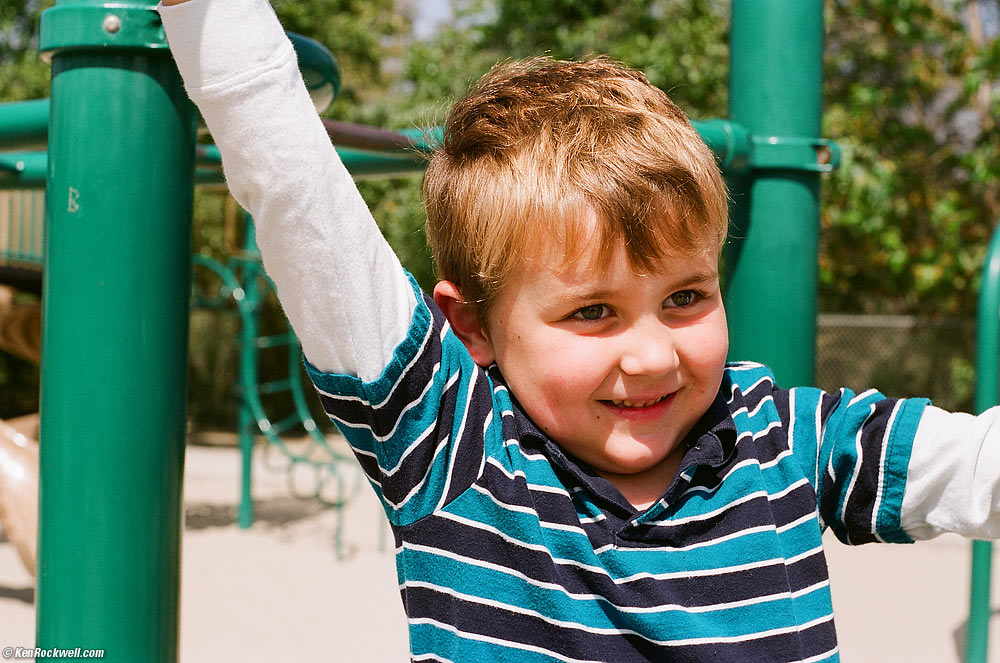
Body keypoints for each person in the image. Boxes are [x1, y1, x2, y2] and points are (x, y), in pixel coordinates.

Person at [159, 0, 1000, 660]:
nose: (653, 353)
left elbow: (972, 467)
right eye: (593, 311)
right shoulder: (456, 448)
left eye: (685, 296)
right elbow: (303, 201)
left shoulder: (777, 435)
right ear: (473, 327)